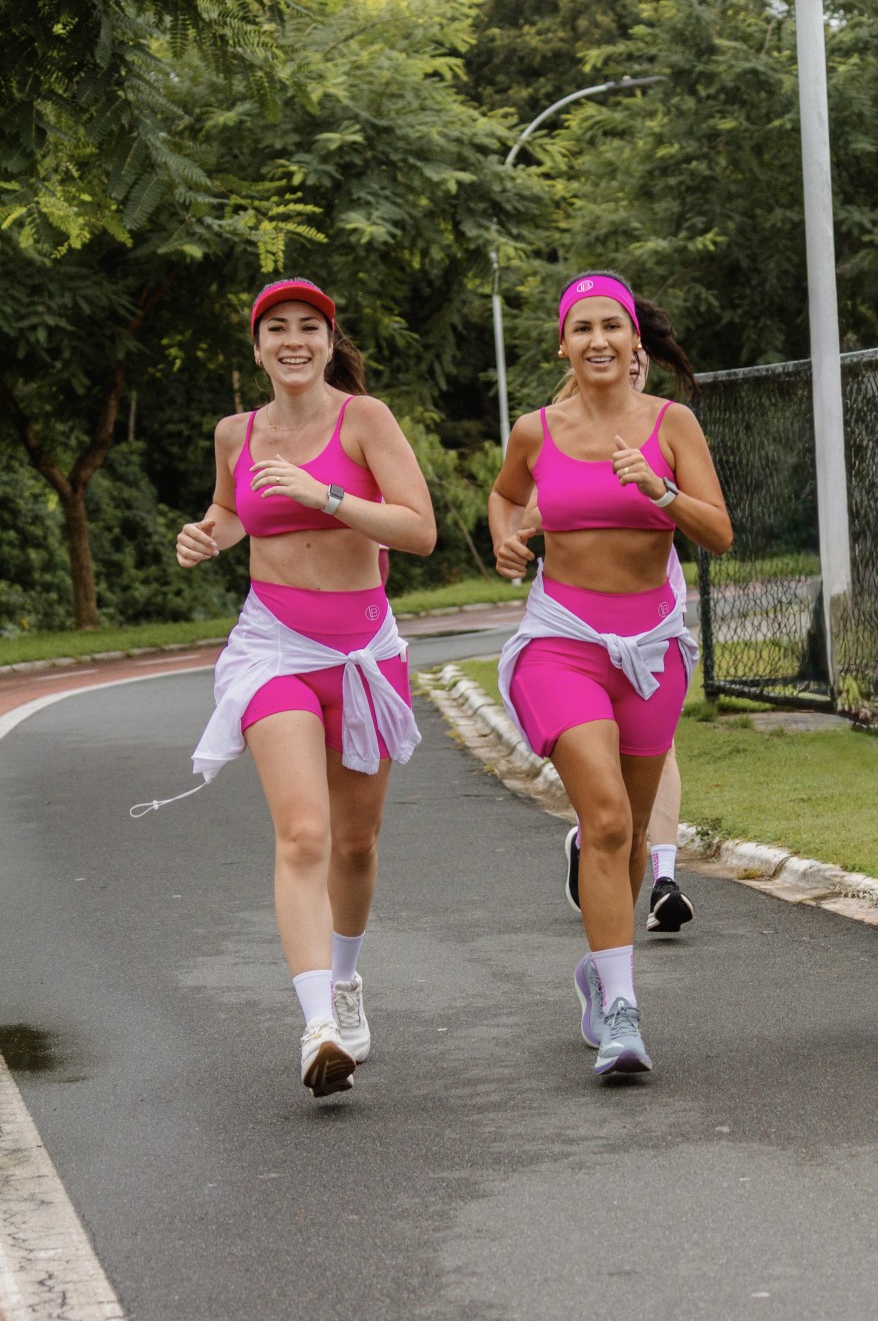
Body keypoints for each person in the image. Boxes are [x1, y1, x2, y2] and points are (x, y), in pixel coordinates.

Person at [175, 278, 436, 1097]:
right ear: (257, 348)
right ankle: (318, 1026)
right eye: (277, 329)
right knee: (302, 835)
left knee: (355, 843)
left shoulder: (365, 419)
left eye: (309, 328)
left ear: (328, 342)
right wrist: (206, 534)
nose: (294, 341)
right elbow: (232, 511)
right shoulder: (236, 433)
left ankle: (346, 981)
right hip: (274, 650)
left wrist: (325, 494)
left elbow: (420, 530)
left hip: (363, 655)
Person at [489, 270, 731, 1078]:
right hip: (561, 642)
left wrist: (661, 491)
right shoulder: (535, 430)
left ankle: (601, 970)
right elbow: (505, 495)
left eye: (611, 326)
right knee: (603, 816)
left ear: (634, 342)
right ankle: (624, 1014)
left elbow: (719, 532)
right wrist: (506, 538)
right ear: (563, 344)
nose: (598, 339)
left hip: (651, 649)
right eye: (582, 328)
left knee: (626, 829)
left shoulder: (672, 424)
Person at [552, 324, 699, 936]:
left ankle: (663, 876)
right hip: (578, 628)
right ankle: (592, 835)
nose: (628, 367)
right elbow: (524, 506)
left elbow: (711, 518)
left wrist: (662, 490)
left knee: (659, 751)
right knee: (604, 779)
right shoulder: (557, 431)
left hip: (656, 613)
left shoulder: (668, 427)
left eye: (637, 360)